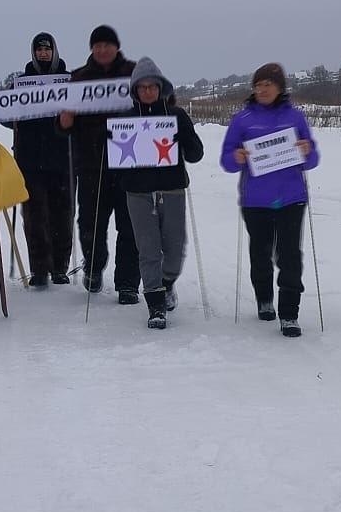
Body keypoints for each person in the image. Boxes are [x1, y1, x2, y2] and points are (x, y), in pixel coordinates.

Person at [220, 62, 320, 337]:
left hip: (291, 198)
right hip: (256, 200)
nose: (262, 89)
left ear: (280, 87)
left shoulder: (295, 117)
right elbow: (226, 160)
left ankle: (289, 313)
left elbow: (312, 159)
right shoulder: (242, 119)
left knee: (290, 255)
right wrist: (236, 157)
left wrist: (307, 150)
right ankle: (264, 298)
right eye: (258, 85)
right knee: (261, 252)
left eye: (268, 84)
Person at [119, 56, 204, 329]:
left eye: (152, 86)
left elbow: (196, 154)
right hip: (138, 194)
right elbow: (113, 163)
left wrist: (183, 138)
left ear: (161, 88)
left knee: (174, 250)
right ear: (135, 91)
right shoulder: (125, 120)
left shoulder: (176, 116)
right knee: (148, 250)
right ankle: (155, 305)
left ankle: (167, 283)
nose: (147, 91)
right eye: (142, 87)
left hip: (172, 190)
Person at [59, 24, 140, 301]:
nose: (102, 50)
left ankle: (128, 283)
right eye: (97, 45)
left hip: (130, 164)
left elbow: (160, 99)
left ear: (117, 47)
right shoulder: (79, 78)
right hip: (91, 165)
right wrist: (65, 121)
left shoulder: (134, 72)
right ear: (92, 49)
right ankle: (94, 266)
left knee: (130, 225)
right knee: (90, 224)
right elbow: (63, 125)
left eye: (107, 44)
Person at [12, 31, 74, 287]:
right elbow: (7, 115)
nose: (43, 53)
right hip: (30, 161)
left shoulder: (69, 81)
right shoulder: (21, 83)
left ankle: (59, 267)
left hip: (63, 160)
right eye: (39, 49)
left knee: (62, 216)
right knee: (34, 218)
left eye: (47, 49)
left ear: (54, 51)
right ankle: (39, 269)